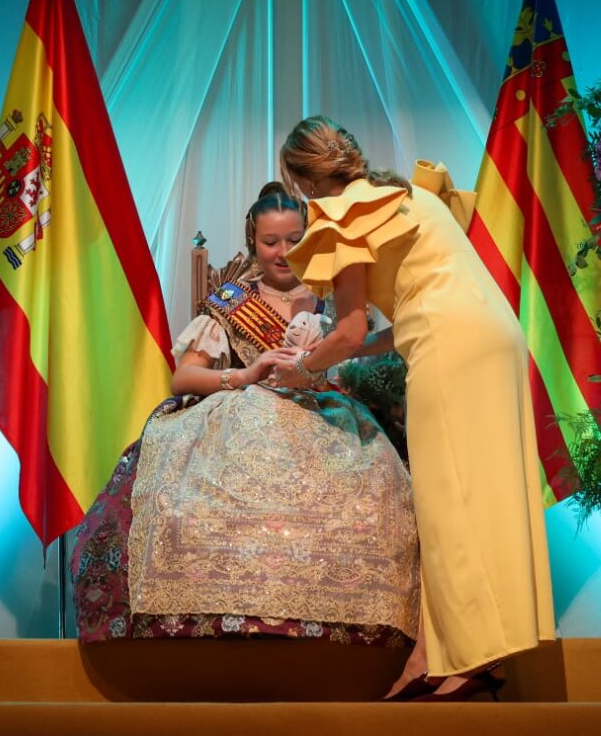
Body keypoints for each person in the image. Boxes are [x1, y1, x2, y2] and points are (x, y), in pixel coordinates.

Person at [272, 116, 555, 702]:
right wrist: (340, 352)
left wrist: (303, 369)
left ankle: (464, 659)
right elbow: (395, 319)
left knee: (446, 500)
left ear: (300, 181)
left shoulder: (343, 211)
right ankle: (444, 654)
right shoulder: (404, 196)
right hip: (493, 336)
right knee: (481, 493)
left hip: (448, 346)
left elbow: (348, 332)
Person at [70, 183, 419, 650]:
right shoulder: (230, 302)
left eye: (294, 239)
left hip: (328, 421)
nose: (282, 252)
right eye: (270, 241)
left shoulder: (338, 297)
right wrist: (245, 374)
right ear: (252, 240)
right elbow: (183, 379)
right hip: (241, 413)